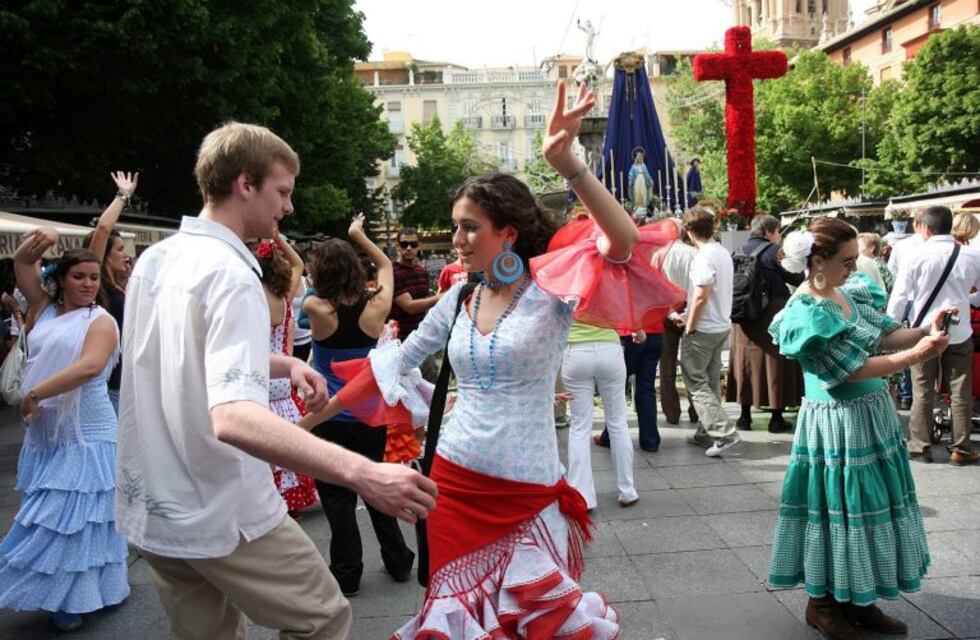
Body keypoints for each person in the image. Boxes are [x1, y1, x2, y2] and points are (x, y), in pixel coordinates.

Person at [307, 80, 682, 639]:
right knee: (462, 622)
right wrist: (303, 425)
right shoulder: (460, 297)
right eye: (455, 225)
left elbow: (623, 244)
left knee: (530, 621)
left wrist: (569, 164)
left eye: (469, 227)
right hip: (453, 479)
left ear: (508, 233)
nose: (456, 238)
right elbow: (394, 364)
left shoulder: (553, 287)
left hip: (525, 487)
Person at [115, 122, 437, 640]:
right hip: (217, 504)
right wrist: (363, 473)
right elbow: (233, 418)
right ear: (246, 183)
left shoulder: (157, 259)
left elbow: (180, 359)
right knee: (322, 618)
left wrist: (284, 364)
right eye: (282, 191)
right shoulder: (230, 275)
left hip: (154, 506)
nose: (287, 207)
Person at [769, 216, 947, 639]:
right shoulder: (805, 311)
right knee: (839, 511)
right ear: (816, 261)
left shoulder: (847, 293)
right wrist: (918, 354)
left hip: (869, 416)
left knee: (867, 509)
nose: (854, 268)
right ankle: (824, 604)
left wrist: (928, 328)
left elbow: (886, 336)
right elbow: (848, 370)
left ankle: (858, 598)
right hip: (837, 425)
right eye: (846, 261)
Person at [0, 229, 129, 631]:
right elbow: (23, 266)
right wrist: (32, 246)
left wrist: (35, 393)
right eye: (79, 277)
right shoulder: (46, 308)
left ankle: (75, 599)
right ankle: (71, 593)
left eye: (94, 277)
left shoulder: (102, 320)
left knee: (75, 519)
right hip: (47, 430)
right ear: (60, 280)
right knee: (59, 517)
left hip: (87, 432)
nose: (89, 284)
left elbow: (90, 367)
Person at [298, 214, 416, 597]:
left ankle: (347, 574)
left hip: (328, 418)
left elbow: (300, 296)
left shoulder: (316, 307)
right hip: (370, 417)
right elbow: (384, 263)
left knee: (337, 501)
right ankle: (398, 561)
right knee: (377, 490)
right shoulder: (376, 305)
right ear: (353, 269)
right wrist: (358, 235)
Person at [887, 206, 980, 466]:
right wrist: (964, 300)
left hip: (924, 331)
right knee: (961, 390)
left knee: (923, 390)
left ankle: (920, 447)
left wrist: (892, 331)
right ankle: (961, 447)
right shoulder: (972, 255)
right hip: (960, 331)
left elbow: (900, 297)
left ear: (925, 227)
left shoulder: (914, 255)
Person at [252, 234, 320, 517]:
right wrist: (277, 237)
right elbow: (298, 262)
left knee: (268, 445)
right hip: (285, 377)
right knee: (290, 440)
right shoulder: (285, 297)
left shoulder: (253, 300)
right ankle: (294, 502)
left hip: (262, 376)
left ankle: (272, 500)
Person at [726, 214, 804, 433]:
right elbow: (797, 278)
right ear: (770, 232)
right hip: (771, 312)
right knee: (775, 362)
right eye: (778, 232)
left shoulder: (737, 251)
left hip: (741, 315)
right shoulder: (775, 252)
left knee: (744, 362)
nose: (779, 237)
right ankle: (776, 418)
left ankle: (744, 416)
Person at [677, 206, 740, 457]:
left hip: (703, 327)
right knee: (711, 380)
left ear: (690, 231)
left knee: (696, 382)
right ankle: (706, 432)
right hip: (721, 324)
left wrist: (690, 324)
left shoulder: (703, 257)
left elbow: (701, 295)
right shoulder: (722, 251)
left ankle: (723, 432)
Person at [562, 314, 640, 509]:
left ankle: (582, 496)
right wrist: (637, 327)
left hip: (575, 351)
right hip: (609, 348)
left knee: (580, 427)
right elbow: (624, 308)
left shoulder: (564, 282)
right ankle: (627, 490)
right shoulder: (608, 282)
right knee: (618, 423)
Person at [87, 170, 139, 414]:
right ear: (104, 254)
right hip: (109, 386)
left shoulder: (120, 286)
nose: (125, 255)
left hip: (127, 381)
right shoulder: (97, 285)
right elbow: (104, 228)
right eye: (119, 249)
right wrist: (123, 195)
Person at [659, 218, 699, 425]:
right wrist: (689, 312)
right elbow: (699, 287)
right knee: (692, 365)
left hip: (666, 312)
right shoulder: (694, 253)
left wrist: (671, 313)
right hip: (691, 310)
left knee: (667, 365)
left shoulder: (657, 256)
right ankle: (695, 411)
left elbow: (655, 290)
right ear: (683, 232)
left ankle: (671, 412)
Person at [887, 213, 928, 411]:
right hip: (947, 311)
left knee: (910, 351)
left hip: (911, 303)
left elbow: (894, 278)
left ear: (916, 224)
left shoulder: (903, 247)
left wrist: (891, 320)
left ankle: (906, 395)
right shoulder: (958, 248)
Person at [389, 227, 441, 340]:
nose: (408, 248)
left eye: (413, 244)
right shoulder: (392, 272)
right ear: (397, 246)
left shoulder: (422, 271)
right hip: (399, 339)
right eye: (404, 244)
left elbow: (425, 304)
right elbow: (409, 307)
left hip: (421, 336)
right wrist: (441, 297)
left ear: (419, 246)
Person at [628, 147, 653, 216]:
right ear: (636, 158)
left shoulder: (644, 166)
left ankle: (643, 206)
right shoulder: (633, 167)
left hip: (643, 180)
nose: (639, 158)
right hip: (636, 181)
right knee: (637, 192)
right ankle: (637, 206)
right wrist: (630, 179)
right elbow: (631, 174)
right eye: (638, 156)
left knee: (643, 192)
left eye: (640, 156)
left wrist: (650, 180)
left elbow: (647, 174)